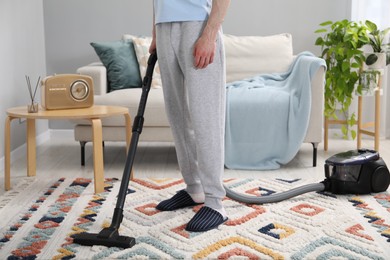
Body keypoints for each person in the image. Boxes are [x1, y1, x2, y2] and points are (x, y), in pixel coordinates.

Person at [149, 0, 231, 232]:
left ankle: (215, 203)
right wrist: (155, 31)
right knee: (178, 115)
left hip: (198, 25)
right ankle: (194, 188)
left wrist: (210, 34)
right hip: (165, 26)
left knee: (206, 117)